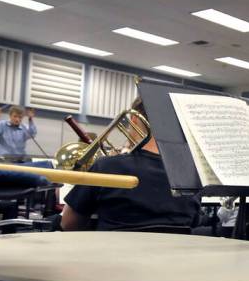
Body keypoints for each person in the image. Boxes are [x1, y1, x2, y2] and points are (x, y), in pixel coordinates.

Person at [61, 98, 200, 231]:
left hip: (114, 254)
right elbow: (194, 222)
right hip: (175, 254)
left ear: (134, 120)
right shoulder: (191, 175)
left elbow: (68, 224)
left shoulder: (106, 167)